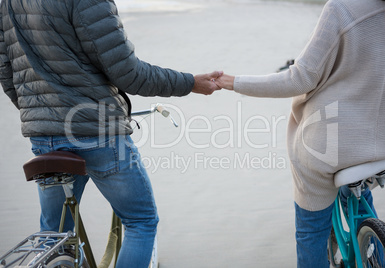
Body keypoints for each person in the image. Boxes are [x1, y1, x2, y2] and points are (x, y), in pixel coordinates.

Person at [0, 0, 221, 267]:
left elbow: (7, 74)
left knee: (54, 234)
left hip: (44, 135)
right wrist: (191, 83)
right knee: (140, 220)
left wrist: (41, 117)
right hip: (97, 131)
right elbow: (128, 73)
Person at [215, 0, 385, 266]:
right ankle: (371, 245)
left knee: (311, 230)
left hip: (330, 148)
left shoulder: (341, 8)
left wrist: (232, 82)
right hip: (384, 144)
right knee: (361, 197)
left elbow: (299, 79)